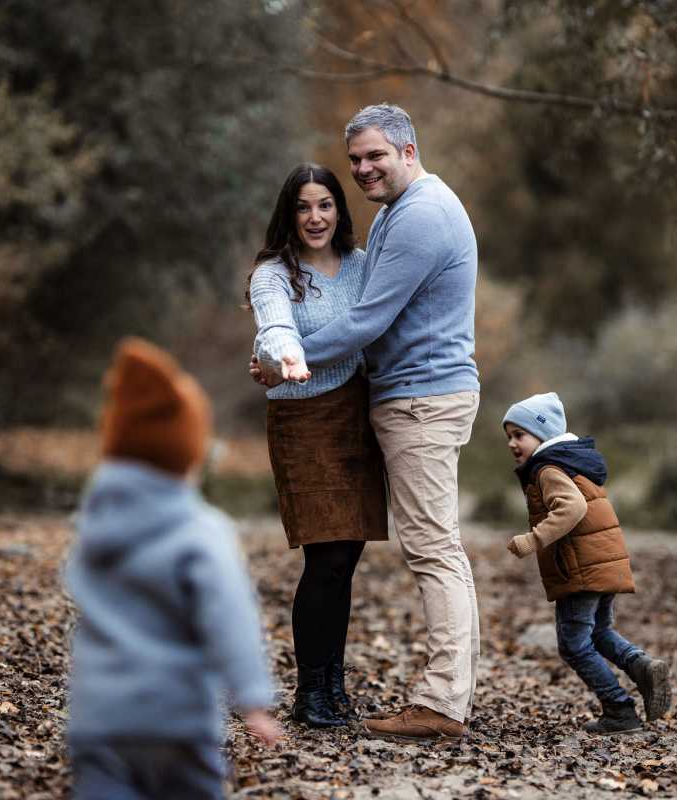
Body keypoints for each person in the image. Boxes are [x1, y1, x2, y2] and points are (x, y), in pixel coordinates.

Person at [253, 104, 481, 743]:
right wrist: (279, 351)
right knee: (416, 551)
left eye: (375, 156)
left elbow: (366, 322)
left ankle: (442, 702)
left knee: (434, 550)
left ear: (410, 149)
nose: (363, 169)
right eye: (355, 159)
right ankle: (406, 693)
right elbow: (278, 309)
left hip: (421, 399)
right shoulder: (396, 215)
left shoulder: (421, 217)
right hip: (394, 401)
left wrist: (287, 360)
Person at [65, 337, 281, 800]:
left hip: (98, 716)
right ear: (187, 456)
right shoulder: (201, 531)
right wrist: (252, 696)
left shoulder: (95, 522)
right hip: (175, 718)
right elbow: (229, 615)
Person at [247, 163, 389, 729]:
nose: (315, 217)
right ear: (290, 212)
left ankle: (334, 685)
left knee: (345, 557)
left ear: (339, 210)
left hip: (357, 416)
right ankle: (311, 693)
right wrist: (287, 356)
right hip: (303, 420)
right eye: (304, 207)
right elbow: (275, 325)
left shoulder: (360, 267)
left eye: (325, 205)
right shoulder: (273, 273)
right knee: (325, 557)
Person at [502, 392, 672, 735]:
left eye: (519, 435)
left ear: (543, 434)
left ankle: (619, 710)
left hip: (580, 569)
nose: (512, 443)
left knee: (573, 644)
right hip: (600, 563)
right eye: (508, 437)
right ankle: (641, 666)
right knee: (598, 631)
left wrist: (532, 539)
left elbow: (572, 508)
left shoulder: (548, 469)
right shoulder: (571, 462)